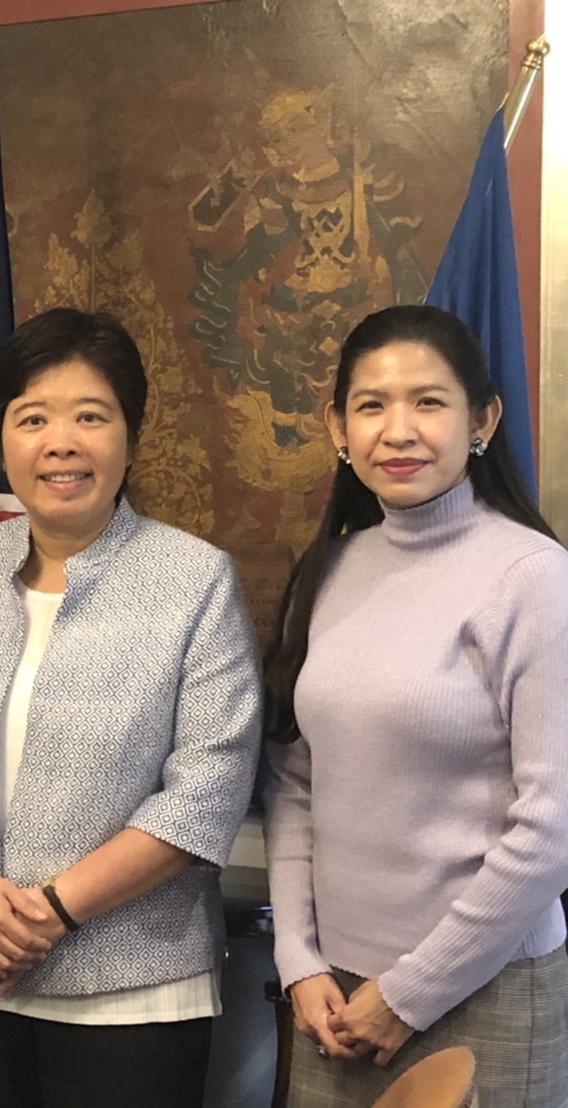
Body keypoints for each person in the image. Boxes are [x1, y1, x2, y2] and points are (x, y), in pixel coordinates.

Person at [0, 307, 262, 1108]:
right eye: (33, 418)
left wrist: (47, 914)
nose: (61, 442)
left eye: (90, 416)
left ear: (131, 435)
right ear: (1, 440)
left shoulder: (194, 581)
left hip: (135, 990)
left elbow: (204, 794)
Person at [263, 304, 568, 1107]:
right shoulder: (329, 569)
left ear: (482, 420)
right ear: (338, 426)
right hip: (333, 1000)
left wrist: (408, 994)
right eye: (371, 405)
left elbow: (551, 823)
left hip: (484, 989)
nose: (398, 431)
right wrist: (298, 960)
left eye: (429, 402)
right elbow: (294, 781)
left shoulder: (532, 576)